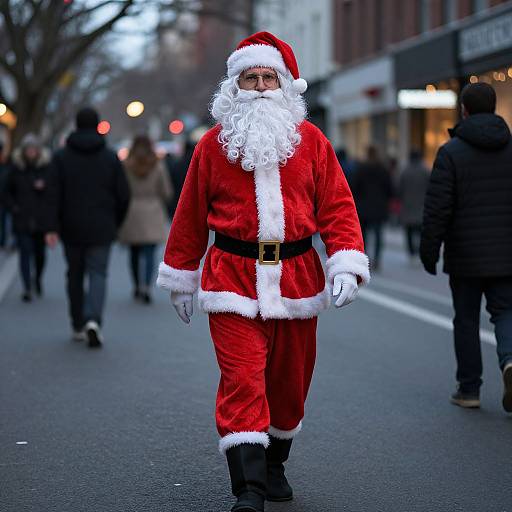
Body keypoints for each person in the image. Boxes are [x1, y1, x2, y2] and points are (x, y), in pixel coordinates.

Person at [157, 32, 369, 512]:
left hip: (296, 276)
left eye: (266, 77)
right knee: (242, 379)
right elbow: (189, 212)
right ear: (234, 87)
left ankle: (274, 465)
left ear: (284, 85)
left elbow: (337, 204)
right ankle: (248, 488)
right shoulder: (212, 146)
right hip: (230, 276)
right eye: (248, 78)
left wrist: (346, 260)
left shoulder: (311, 141)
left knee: (289, 386)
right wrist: (181, 275)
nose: (257, 86)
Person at [420, 82, 512, 413]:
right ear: (495, 108)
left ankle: (469, 389)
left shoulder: (451, 152)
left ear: (465, 111)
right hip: (507, 255)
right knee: (506, 312)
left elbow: (437, 209)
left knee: (467, 319)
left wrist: (429, 252)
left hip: (466, 256)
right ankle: (510, 360)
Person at [46, 107, 130, 347]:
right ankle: (94, 319)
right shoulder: (110, 156)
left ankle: (77, 322)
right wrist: (116, 221)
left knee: (74, 273)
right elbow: (123, 194)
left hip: (70, 225)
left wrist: (52, 226)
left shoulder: (61, 156)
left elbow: (53, 194)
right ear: (97, 125)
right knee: (98, 273)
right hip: (102, 225)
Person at [118, 135, 173, 303]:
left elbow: (120, 189)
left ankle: (137, 285)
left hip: (132, 211)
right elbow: (166, 191)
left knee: (134, 252)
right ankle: (147, 287)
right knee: (150, 252)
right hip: (152, 211)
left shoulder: (126, 165)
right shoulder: (157, 165)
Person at [3, 134, 52, 301]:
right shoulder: (16, 169)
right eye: (28, 149)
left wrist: (44, 188)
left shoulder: (46, 168)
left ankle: (37, 278)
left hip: (40, 218)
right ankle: (27, 286)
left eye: (34, 149)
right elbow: (6, 191)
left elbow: (55, 191)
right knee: (24, 253)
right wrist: (14, 207)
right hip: (22, 217)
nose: (31, 152)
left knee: (40, 254)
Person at [351, 145, 393, 271]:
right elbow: (389, 188)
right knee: (378, 234)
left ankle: (365, 258)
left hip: (363, 206)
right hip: (379, 206)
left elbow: (354, 187)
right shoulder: (383, 169)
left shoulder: (361, 168)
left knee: (364, 235)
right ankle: (377, 259)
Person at [399, 149, 429, 260]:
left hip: (408, 205)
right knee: (421, 231)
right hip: (422, 205)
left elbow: (399, 188)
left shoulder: (405, 171)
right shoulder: (425, 170)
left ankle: (411, 253)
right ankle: (419, 251)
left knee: (409, 231)